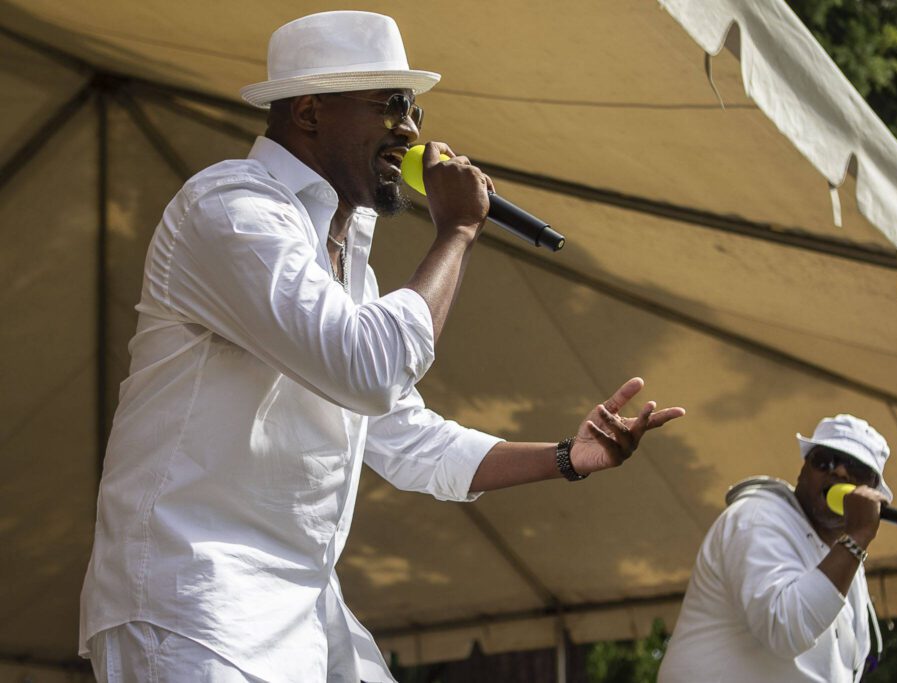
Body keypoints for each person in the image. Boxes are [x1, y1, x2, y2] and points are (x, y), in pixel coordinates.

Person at [77, 11, 684, 683]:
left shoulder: (347, 262)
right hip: (194, 603)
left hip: (298, 612)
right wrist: (457, 233)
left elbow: (402, 432)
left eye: (414, 109)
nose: (413, 130)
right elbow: (366, 368)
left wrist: (570, 457)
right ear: (310, 111)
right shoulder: (230, 208)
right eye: (390, 106)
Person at [658, 414, 891, 682]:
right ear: (804, 469)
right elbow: (784, 628)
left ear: (875, 494)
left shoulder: (845, 556)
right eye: (824, 460)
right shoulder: (758, 517)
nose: (839, 472)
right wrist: (858, 536)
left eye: (857, 469)